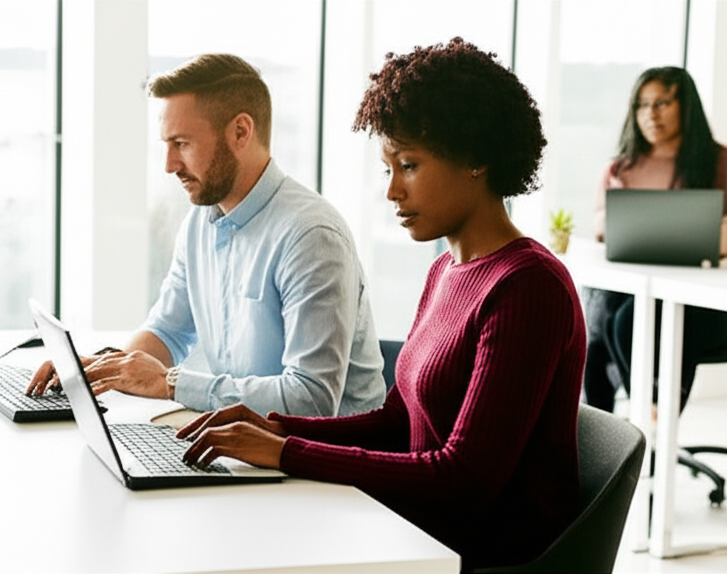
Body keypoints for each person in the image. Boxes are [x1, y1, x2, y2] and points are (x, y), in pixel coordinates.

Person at [178, 38, 586, 571]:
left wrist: (285, 453)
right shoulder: (446, 270)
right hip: (419, 532)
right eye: (388, 168)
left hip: (477, 553)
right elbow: (399, 420)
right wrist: (277, 428)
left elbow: (465, 479)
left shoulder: (529, 287)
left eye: (409, 165)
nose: (392, 191)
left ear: (477, 160)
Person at [27, 53, 387, 417]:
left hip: (326, 461)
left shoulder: (311, 237)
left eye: (181, 143)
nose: (169, 165)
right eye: (166, 145)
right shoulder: (201, 221)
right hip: (244, 441)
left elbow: (311, 400)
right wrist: (103, 369)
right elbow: (167, 331)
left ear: (240, 132)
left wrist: (171, 383)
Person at [582, 66, 727, 413]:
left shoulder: (718, 162)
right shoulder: (620, 169)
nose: (651, 114)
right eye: (642, 105)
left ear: (685, 105)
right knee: (603, 314)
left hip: (700, 301)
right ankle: (613, 429)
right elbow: (601, 225)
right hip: (633, 292)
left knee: (629, 319)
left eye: (662, 102)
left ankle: (654, 415)